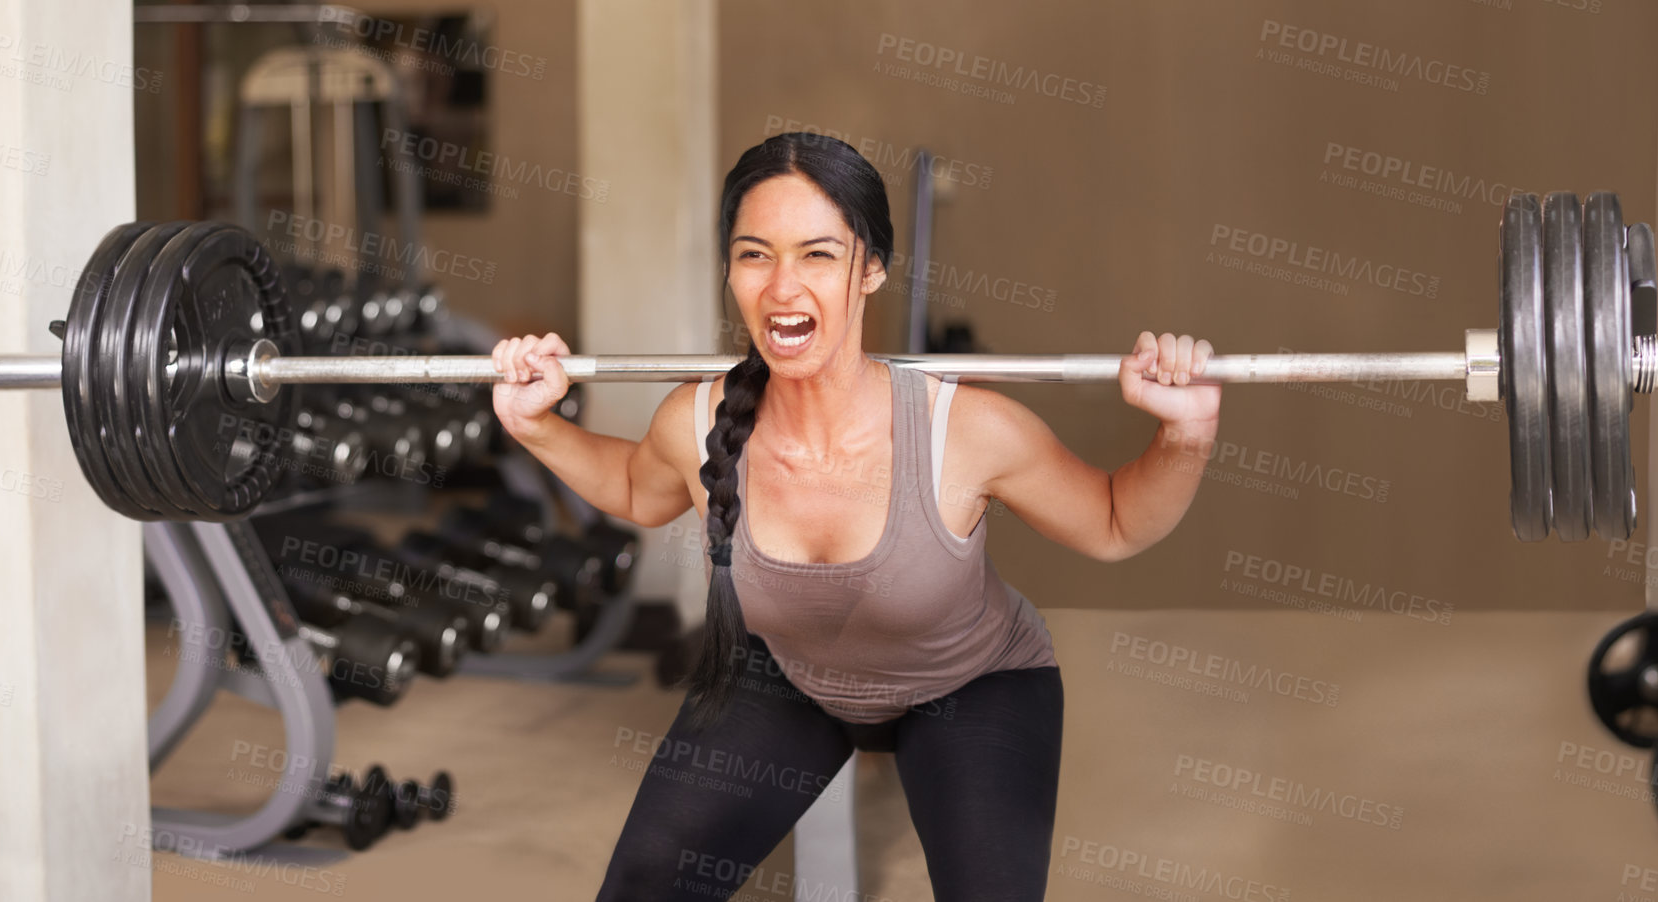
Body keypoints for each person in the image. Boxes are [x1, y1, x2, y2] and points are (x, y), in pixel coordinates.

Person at [489, 132, 1220, 901]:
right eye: (754, 254)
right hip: (794, 675)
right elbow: (640, 492)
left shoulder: (965, 432)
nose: (781, 288)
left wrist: (1187, 435)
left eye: (817, 254)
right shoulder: (697, 418)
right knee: (643, 886)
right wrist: (538, 425)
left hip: (973, 684)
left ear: (870, 269)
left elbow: (1112, 524)